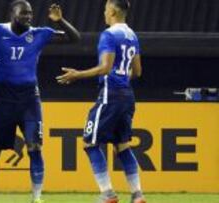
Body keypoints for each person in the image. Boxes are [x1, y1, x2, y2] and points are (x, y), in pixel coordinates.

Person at [0, 1, 80, 203]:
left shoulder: (39, 33)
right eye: (24, 13)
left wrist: (61, 21)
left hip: (29, 100)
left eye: (30, 14)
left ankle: (37, 197)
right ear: (12, 13)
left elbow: (74, 38)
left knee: (35, 147)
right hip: (3, 99)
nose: (28, 17)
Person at [56, 0, 145, 203]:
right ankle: (137, 194)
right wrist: (121, 77)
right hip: (127, 96)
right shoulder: (132, 35)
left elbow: (105, 67)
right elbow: (138, 71)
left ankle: (107, 194)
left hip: (110, 95)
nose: (104, 13)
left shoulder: (109, 34)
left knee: (90, 142)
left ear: (112, 11)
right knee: (122, 146)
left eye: (106, 9)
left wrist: (77, 74)